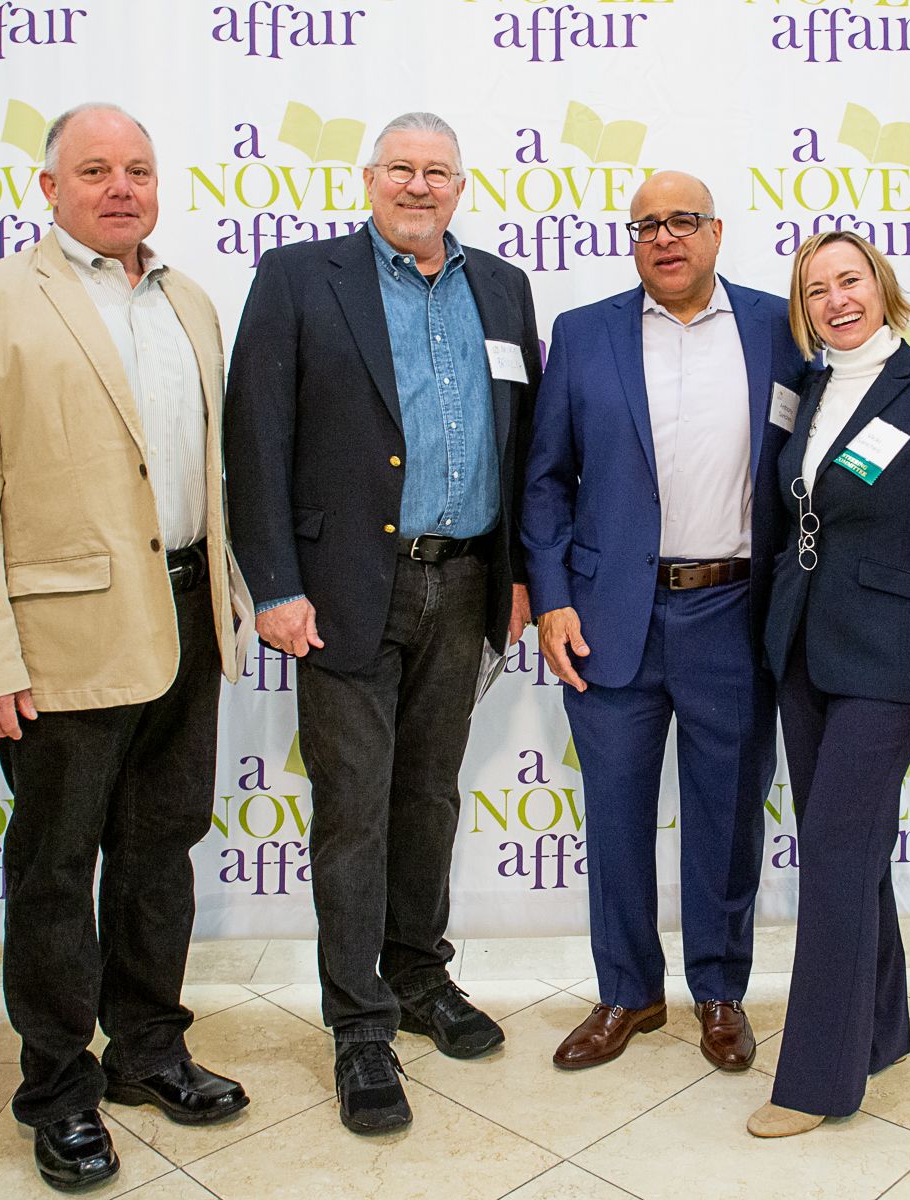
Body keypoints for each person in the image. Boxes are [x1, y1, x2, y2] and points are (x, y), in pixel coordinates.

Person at [0, 103, 251, 1191]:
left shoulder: (192, 303)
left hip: (184, 619)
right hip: (58, 638)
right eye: (94, 170)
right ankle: (57, 1090)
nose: (120, 188)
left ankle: (149, 1051)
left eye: (138, 169)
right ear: (48, 187)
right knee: (54, 869)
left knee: (161, 852)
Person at [224, 111, 540, 1134]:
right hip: (343, 590)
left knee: (429, 800)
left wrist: (522, 576)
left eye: (437, 171)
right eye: (401, 169)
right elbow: (256, 436)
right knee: (353, 813)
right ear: (369, 179)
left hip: (465, 586)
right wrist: (274, 584)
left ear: (462, 185)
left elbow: (524, 441)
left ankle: (417, 977)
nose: (418, 185)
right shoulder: (298, 277)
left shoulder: (503, 289)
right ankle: (359, 1024)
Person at [523, 171, 811, 1072]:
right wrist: (554, 597)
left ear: (717, 232)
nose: (664, 237)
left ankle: (720, 991)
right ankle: (626, 993)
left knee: (726, 815)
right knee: (612, 813)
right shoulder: (582, 334)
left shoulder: (780, 327)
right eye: (645, 224)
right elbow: (544, 481)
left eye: (683, 220)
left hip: (735, 609)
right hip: (613, 615)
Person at [745, 230, 910, 1137]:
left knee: (837, 860)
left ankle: (817, 1080)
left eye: (850, 281)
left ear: (882, 286)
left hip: (893, 662)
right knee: (847, 855)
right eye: (816, 290)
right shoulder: (808, 392)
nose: (836, 300)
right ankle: (880, 1030)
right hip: (805, 652)